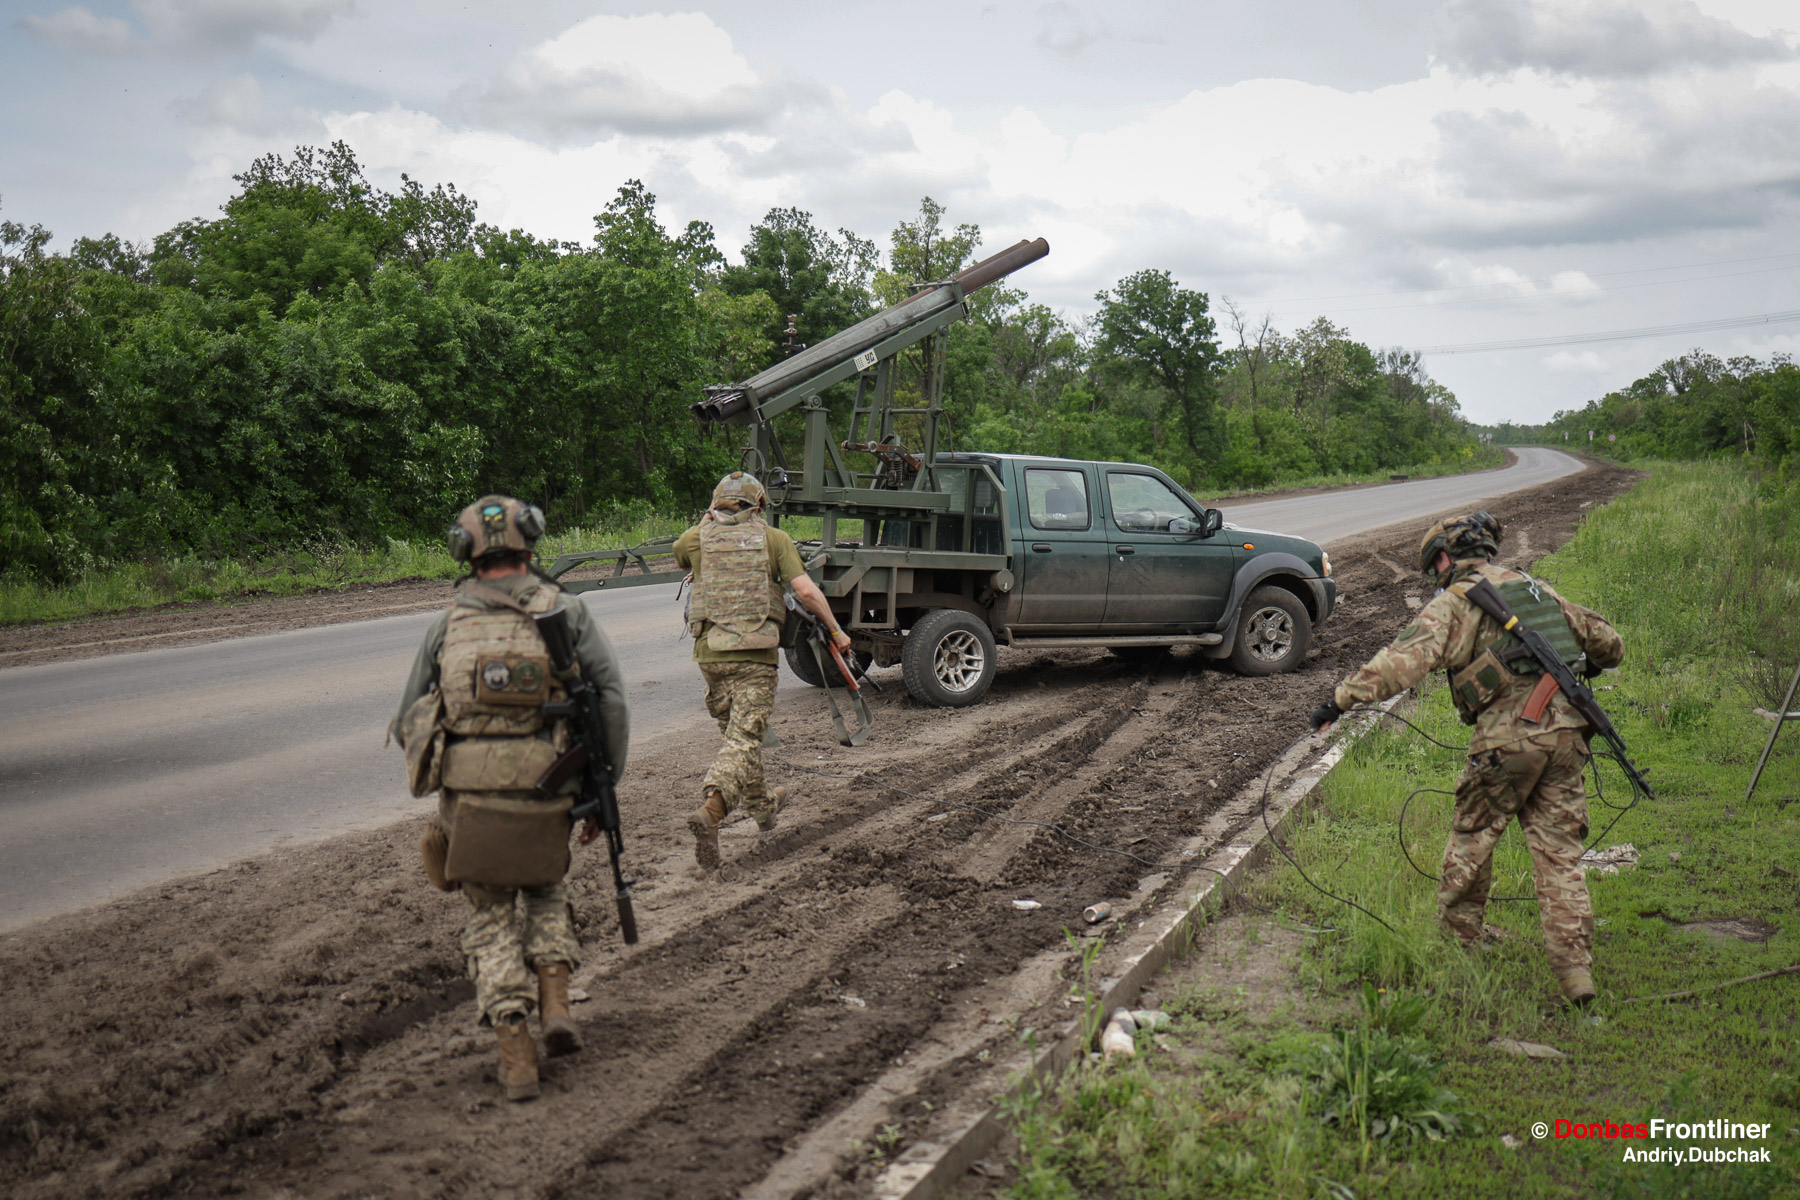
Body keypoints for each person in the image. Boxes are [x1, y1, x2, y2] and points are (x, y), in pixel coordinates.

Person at [1309, 511, 1624, 1005]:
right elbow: (1609, 643)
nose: (1434, 576)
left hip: (1506, 743)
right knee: (1560, 859)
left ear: (1443, 558)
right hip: (1566, 740)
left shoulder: (1457, 602)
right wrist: (1586, 663)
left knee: (1473, 841)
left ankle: (1457, 949)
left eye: (1432, 566)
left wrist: (1340, 701)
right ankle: (1576, 976)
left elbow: (1402, 661)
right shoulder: (1536, 589)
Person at [391, 495, 629, 1101]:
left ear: (464, 552)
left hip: (470, 802)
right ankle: (556, 1005)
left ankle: (516, 1053)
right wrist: (602, 788)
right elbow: (610, 701)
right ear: (531, 542)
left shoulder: (448, 624)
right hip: (548, 785)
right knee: (547, 889)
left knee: (490, 918)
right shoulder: (566, 611)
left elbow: (407, 720)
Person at [674, 471, 851, 869]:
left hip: (709, 657)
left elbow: (681, 550)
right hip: (754, 658)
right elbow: (805, 591)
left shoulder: (695, 539)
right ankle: (712, 811)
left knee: (742, 741)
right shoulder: (773, 539)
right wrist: (836, 631)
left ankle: (765, 808)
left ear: (715, 504)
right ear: (759, 506)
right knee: (743, 741)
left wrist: (709, 518)